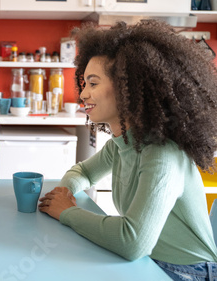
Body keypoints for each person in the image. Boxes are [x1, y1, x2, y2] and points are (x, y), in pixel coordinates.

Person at [38, 20, 217, 280]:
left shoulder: (162, 154)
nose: (83, 95)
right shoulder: (122, 144)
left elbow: (132, 241)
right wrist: (65, 193)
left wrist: (67, 212)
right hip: (150, 262)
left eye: (93, 83)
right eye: (84, 84)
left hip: (188, 273)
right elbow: (83, 172)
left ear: (128, 88)